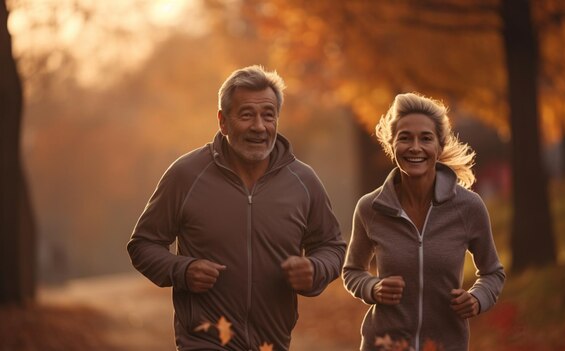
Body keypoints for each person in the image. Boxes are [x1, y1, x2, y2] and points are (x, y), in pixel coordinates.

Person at [127, 65, 346, 351]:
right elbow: (143, 245)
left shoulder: (303, 181)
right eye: (246, 115)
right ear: (223, 121)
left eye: (268, 116)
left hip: (273, 343)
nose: (259, 126)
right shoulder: (186, 175)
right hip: (205, 341)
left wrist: (314, 269)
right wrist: (183, 269)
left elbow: (332, 246)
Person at [342, 92, 505, 351]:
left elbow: (492, 272)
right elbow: (352, 271)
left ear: (439, 147)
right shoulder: (370, 208)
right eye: (405, 138)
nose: (415, 147)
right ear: (391, 144)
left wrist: (476, 298)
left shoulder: (468, 207)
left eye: (425, 138)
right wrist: (373, 288)